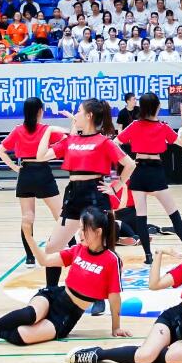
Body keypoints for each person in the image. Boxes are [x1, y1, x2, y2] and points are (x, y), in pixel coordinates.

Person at [67, 215, 182, 363]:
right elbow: (154, 284)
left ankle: (141, 350)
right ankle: (99, 354)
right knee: (144, 358)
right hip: (174, 319)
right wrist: (158, 254)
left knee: (173, 358)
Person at [0, 207, 126, 349]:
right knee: (29, 315)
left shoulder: (111, 260)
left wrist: (116, 327)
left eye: (84, 229)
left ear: (98, 232)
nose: (79, 233)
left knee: (22, 336)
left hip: (67, 316)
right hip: (54, 296)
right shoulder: (77, 250)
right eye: (80, 228)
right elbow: (44, 260)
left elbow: (115, 297)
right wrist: (29, 237)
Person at [36, 98, 138, 289]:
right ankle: (51, 290)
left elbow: (130, 164)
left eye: (79, 111)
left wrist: (116, 186)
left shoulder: (104, 142)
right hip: (73, 196)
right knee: (52, 247)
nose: (76, 114)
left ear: (89, 116)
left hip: (95, 196)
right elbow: (41, 156)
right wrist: (47, 131)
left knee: (99, 249)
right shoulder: (70, 140)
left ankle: (101, 292)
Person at [117, 95, 182, 264]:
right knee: (174, 215)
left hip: (138, 171)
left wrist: (127, 161)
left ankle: (148, 256)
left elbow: (115, 142)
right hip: (155, 173)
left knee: (141, 217)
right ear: (157, 107)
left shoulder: (135, 125)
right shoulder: (162, 127)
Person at [0, 97, 63, 267]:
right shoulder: (46, 129)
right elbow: (66, 138)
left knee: (27, 217)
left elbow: (1, 150)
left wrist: (14, 167)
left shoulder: (18, 130)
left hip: (25, 172)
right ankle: (70, 247)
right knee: (60, 214)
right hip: (42, 171)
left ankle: (29, 257)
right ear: (40, 111)